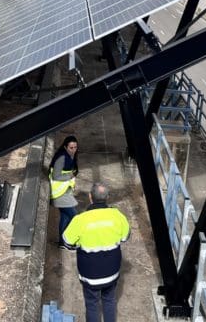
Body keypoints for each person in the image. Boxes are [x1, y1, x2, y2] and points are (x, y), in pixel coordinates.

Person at [62, 182, 130, 322]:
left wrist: (79, 246)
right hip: (112, 272)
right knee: (110, 301)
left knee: (92, 305)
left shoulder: (80, 220)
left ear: (90, 197)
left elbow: (67, 242)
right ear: (107, 197)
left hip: (90, 274)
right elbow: (125, 237)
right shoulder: (117, 216)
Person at [49, 135, 79, 248]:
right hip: (59, 194)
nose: (74, 150)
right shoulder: (62, 158)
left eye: (75, 147)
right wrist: (70, 176)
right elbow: (56, 176)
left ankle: (63, 242)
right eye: (71, 148)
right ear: (65, 147)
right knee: (75, 217)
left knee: (65, 217)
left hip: (64, 192)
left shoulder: (71, 156)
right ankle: (69, 241)